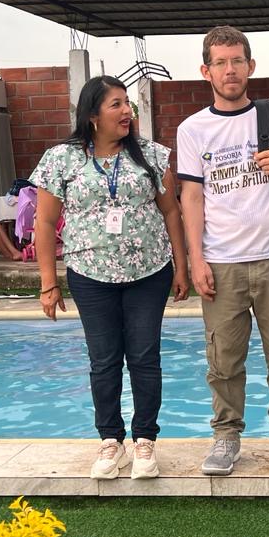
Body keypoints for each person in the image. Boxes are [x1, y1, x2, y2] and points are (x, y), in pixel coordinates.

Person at [30, 76, 189, 481]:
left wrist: (182, 266)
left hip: (149, 273)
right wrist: (49, 282)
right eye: (116, 104)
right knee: (103, 360)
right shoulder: (61, 159)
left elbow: (172, 211)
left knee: (144, 357)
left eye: (128, 103)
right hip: (90, 275)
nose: (127, 112)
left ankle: (145, 440)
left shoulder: (151, 155)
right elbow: (44, 223)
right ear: (92, 115)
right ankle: (110, 441)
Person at [176, 25, 269, 475]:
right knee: (223, 359)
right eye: (220, 62)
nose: (230, 69)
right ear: (206, 71)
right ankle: (226, 436)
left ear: (251, 66)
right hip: (220, 263)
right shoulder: (192, 129)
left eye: (237, 60)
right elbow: (191, 197)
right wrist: (196, 259)